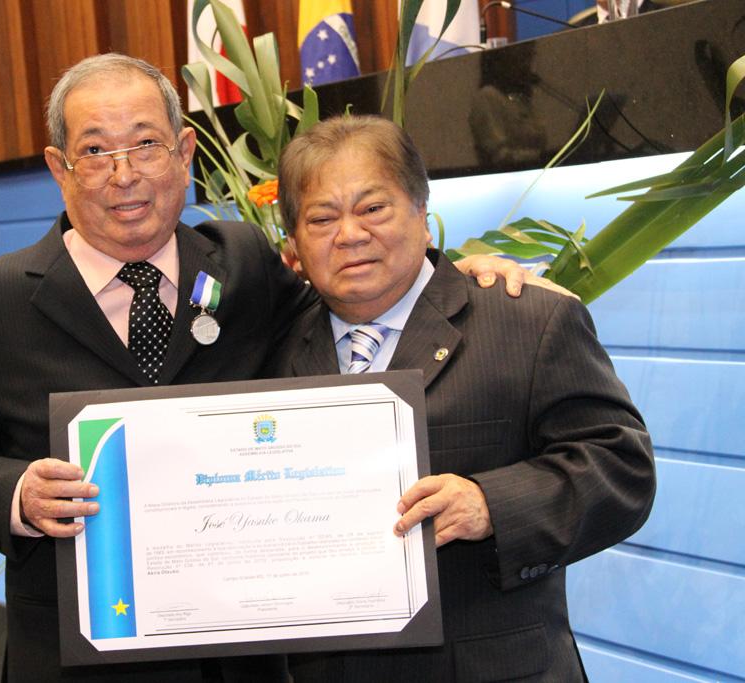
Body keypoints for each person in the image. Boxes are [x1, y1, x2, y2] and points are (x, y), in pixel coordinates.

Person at [0, 53, 545, 682]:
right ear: (61, 168)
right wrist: (19, 495)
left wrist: (455, 277)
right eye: (96, 151)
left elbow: (345, 302)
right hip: (78, 657)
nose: (124, 174)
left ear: (184, 152)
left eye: (146, 144)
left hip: (240, 659)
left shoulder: (243, 263)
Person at [267, 115, 656, 682]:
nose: (349, 234)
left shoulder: (529, 321)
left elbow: (623, 469)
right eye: (321, 218)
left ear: (423, 217)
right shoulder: (272, 345)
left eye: (373, 208)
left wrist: (490, 503)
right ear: (294, 248)